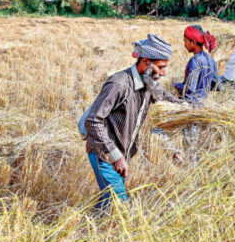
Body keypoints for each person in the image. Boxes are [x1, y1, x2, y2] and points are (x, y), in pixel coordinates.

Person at [81, 34, 187, 212]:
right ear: (145, 62)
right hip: (104, 155)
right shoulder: (119, 83)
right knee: (121, 207)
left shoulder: (149, 82)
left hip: (122, 156)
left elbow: (165, 98)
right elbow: (93, 121)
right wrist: (116, 156)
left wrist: (188, 109)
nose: (163, 73)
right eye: (160, 67)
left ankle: (94, 230)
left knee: (109, 202)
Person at [154, 25, 221, 162]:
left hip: (189, 108)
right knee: (191, 145)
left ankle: (177, 156)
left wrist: (175, 85)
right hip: (200, 106)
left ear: (193, 42)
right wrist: (204, 87)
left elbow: (189, 89)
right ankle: (188, 166)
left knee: (158, 131)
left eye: (185, 41)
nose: (184, 44)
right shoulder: (210, 60)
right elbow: (218, 86)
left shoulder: (195, 61)